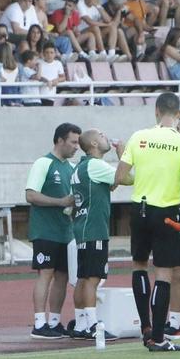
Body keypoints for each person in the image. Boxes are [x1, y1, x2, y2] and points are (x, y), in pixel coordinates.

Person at [119, 91, 180, 352]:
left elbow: (121, 177)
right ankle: (159, 337)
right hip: (166, 211)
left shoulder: (139, 137)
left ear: (156, 111)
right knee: (163, 273)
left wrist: (139, 180)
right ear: (178, 115)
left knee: (139, 265)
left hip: (139, 209)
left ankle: (145, 326)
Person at [25, 121, 81, 339]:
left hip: (65, 232)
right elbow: (30, 195)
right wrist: (61, 202)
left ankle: (55, 321)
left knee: (62, 277)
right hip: (45, 231)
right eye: (73, 142)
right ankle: (39, 323)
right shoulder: (43, 163)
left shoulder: (70, 168)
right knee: (45, 274)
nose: (76, 147)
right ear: (60, 140)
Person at [67, 128, 118, 341]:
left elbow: (112, 184)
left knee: (82, 278)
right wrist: (124, 154)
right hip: (94, 228)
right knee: (92, 278)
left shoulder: (82, 166)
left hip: (83, 228)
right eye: (102, 135)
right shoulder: (95, 165)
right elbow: (126, 178)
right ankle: (92, 325)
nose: (106, 136)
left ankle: (80, 323)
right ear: (94, 144)